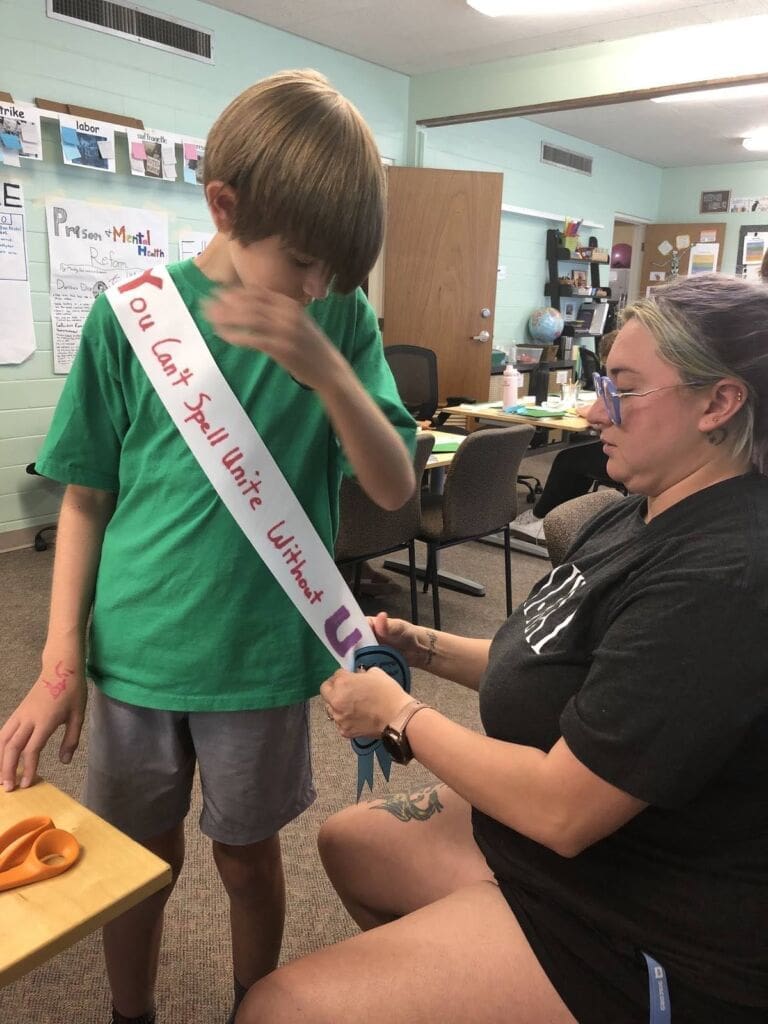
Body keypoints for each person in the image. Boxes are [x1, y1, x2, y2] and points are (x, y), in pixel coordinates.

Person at [235, 272, 768, 1024]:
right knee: (349, 842)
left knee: (277, 1009)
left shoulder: (724, 574)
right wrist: (424, 647)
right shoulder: (641, 508)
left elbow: (560, 810)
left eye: (624, 388)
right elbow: (552, 655)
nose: (591, 410)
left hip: (644, 916)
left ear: (718, 402)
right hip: (574, 854)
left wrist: (400, 715)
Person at [0, 69, 416, 1024]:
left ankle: (250, 1005)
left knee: (246, 853)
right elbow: (84, 499)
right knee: (133, 864)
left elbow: (393, 486)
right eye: (303, 260)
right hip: (137, 655)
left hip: (262, 658)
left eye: (336, 274)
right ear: (223, 206)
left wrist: (328, 371)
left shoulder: (340, 321)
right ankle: (130, 1012)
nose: (316, 288)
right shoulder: (130, 314)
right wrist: (60, 653)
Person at [511, 331, 618, 545]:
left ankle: (544, 518)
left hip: (625, 454)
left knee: (568, 461)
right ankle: (549, 516)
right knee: (575, 455)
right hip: (621, 448)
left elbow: (599, 411)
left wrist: (589, 411)